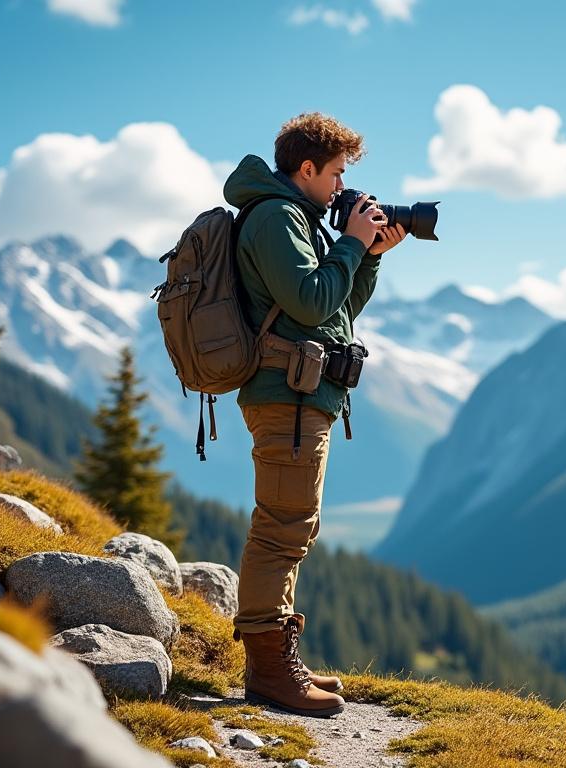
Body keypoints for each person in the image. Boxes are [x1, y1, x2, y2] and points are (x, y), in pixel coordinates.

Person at [222, 112, 404, 717]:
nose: (341, 188)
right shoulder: (276, 218)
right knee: (281, 527)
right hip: (286, 397)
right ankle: (270, 672)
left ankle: (278, 659)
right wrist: (351, 240)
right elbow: (310, 297)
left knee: (293, 526)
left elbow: (335, 313)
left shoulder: (295, 219)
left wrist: (368, 255)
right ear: (307, 168)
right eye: (336, 174)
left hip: (302, 398)